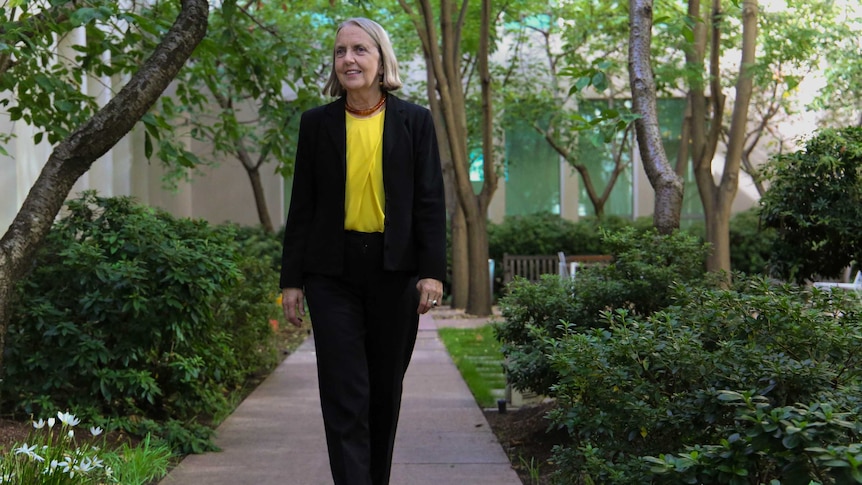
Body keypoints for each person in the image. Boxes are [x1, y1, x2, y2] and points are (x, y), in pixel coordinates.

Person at [279, 17, 446, 485]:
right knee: (343, 392)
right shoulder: (317, 124)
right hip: (331, 274)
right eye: (340, 52)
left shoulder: (415, 121)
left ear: (380, 59)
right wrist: (291, 279)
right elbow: (303, 205)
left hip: (396, 274)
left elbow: (431, 200)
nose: (348, 59)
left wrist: (432, 271)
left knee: (383, 393)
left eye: (359, 50)